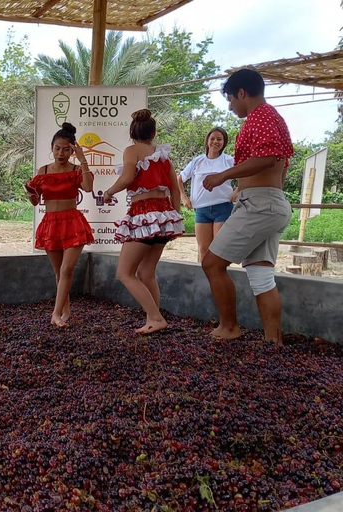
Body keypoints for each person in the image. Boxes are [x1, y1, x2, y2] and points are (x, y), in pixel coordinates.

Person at [201, 69, 294, 344]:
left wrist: (224, 176)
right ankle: (272, 341)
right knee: (261, 275)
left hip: (260, 205)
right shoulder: (274, 117)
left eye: (231, 99)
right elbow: (282, 163)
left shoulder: (261, 116)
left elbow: (268, 157)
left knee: (211, 263)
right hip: (269, 202)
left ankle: (229, 327)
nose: (231, 107)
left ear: (242, 92)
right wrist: (246, 189)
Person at [104, 109, 185, 334]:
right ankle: (154, 317)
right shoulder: (163, 156)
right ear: (154, 132)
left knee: (124, 272)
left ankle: (156, 318)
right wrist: (174, 219)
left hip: (143, 214)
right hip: (164, 216)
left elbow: (128, 177)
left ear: (132, 133)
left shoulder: (131, 150)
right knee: (147, 272)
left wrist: (109, 192)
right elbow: (174, 191)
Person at [25, 122, 94, 327]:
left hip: (72, 222)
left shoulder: (75, 169)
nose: (60, 153)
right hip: (51, 223)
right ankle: (66, 311)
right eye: (57, 148)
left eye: (66, 149)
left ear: (72, 150)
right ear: (51, 147)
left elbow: (88, 188)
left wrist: (82, 160)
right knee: (59, 272)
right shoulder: (43, 170)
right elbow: (36, 201)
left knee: (67, 269)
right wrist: (31, 193)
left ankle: (55, 314)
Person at [178, 127, 238, 261]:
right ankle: (202, 279)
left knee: (218, 248)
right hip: (202, 210)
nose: (215, 142)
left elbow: (246, 174)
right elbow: (180, 179)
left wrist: (237, 190)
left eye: (219, 139)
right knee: (203, 248)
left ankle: (218, 279)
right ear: (207, 142)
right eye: (212, 139)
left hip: (223, 208)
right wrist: (184, 197)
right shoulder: (197, 161)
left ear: (224, 142)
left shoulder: (229, 160)